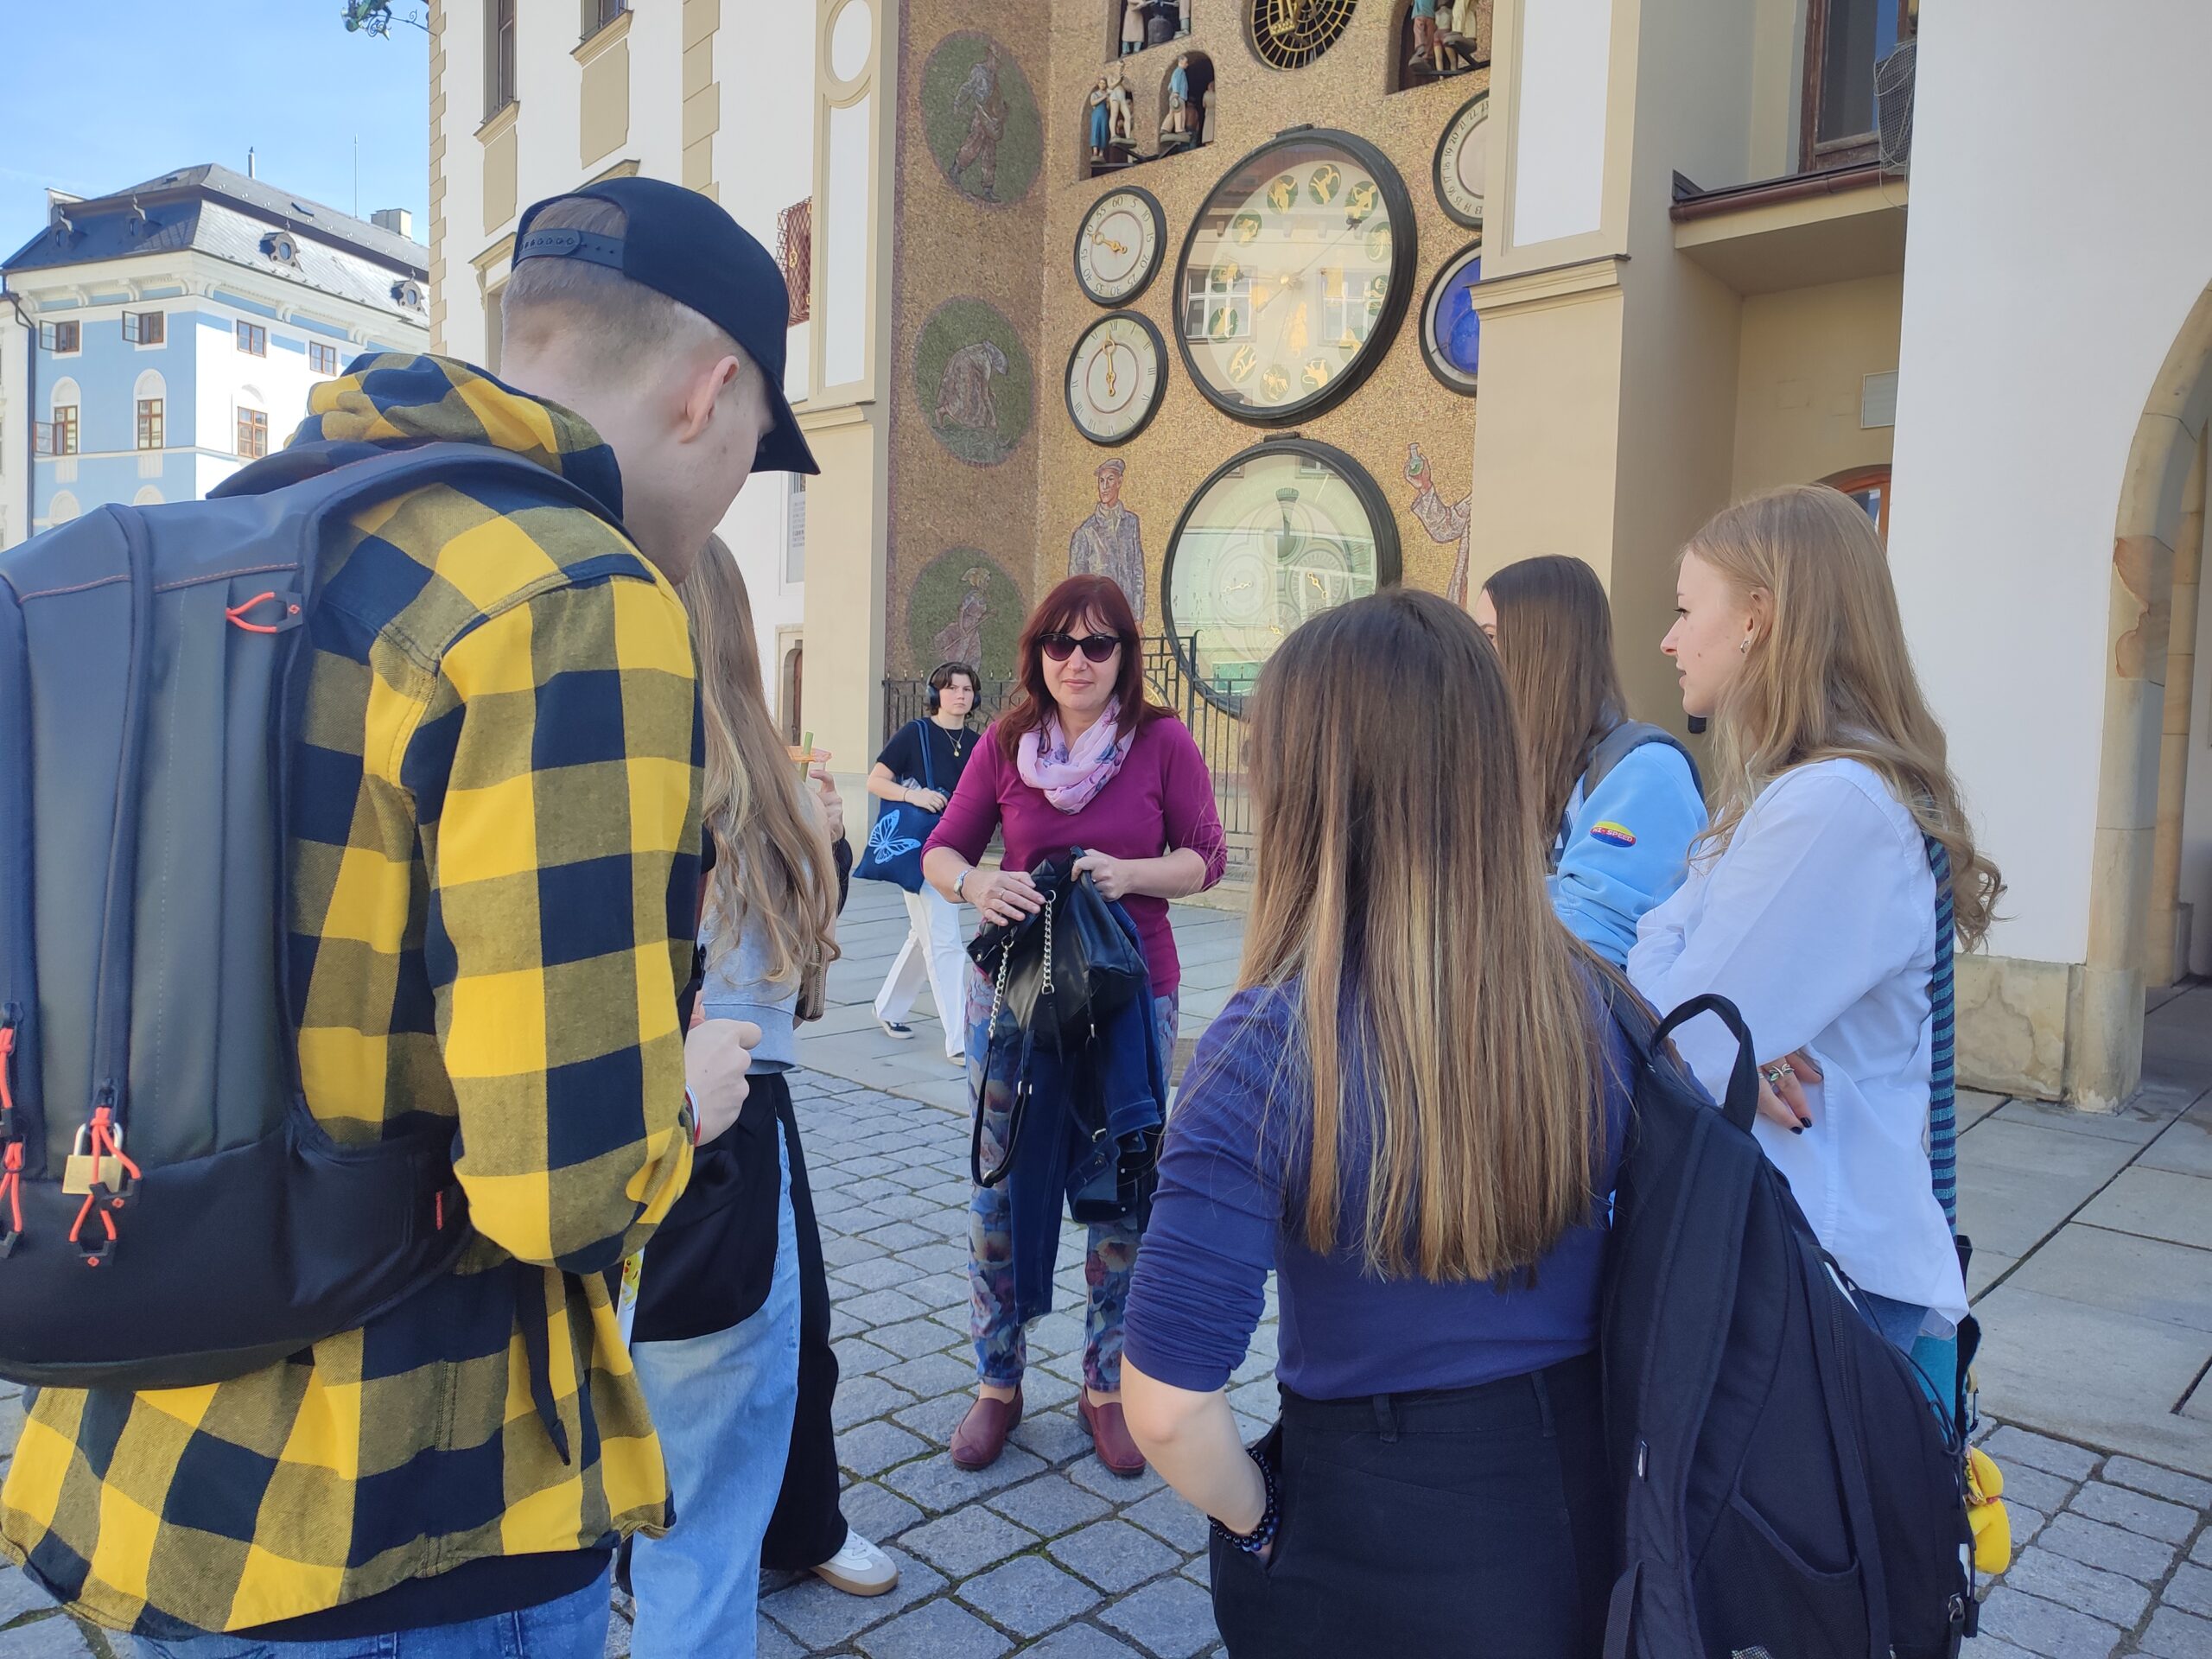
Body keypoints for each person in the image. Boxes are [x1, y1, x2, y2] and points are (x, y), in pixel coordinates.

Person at [0, 177, 808, 1654]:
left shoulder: (250, 536)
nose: (750, 474)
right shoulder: (575, 592)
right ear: (715, 391)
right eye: (765, 440)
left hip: (145, 1443)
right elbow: (558, 1192)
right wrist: (682, 1107)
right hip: (415, 1511)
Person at [1120, 589, 1629, 1656]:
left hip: (1372, 1514)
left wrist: (1258, 1521)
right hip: (1586, 1493)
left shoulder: (1269, 1047)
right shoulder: (1593, 999)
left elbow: (1165, 1408)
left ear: (1307, 787)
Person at [1628, 485, 2003, 1357]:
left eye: (1687, 610)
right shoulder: (1813, 793)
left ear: (1758, 616)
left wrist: (1708, 1005)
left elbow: (1687, 1038)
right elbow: (1667, 972)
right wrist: (1704, 999)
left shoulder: (1830, 804)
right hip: (1806, 1252)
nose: (1669, 639)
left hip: (1817, 1271)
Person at [626, 537, 888, 1656]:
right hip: (724, 1133)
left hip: (612, 1121)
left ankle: (788, 1525)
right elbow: (802, 994)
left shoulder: (611, 777)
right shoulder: (775, 801)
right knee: (708, 1491)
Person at [921, 575, 1227, 1478]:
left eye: (1099, 645)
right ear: (1036, 655)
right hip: (1017, 1003)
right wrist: (976, 884)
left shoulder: (1162, 743)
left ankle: (1105, 1388)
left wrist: (1130, 874)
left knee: (1121, 1194)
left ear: (1126, 655)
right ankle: (997, 1383)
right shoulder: (1008, 742)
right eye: (1061, 644)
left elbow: (1204, 858)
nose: (1079, 661)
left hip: (1131, 1002)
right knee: (997, 1193)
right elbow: (943, 848)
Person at [1474, 555, 1707, 966]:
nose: (1473, 658)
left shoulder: (1644, 771)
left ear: (1541, 649)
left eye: (1489, 637)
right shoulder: (1509, 768)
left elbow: (1593, 949)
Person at [870, 661, 982, 1058]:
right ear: (937, 695)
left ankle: (889, 1006)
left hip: (956, 849)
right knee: (946, 941)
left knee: (926, 934)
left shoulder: (976, 742)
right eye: (952, 688)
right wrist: (912, 795)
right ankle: (960, 1039)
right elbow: (876, 779)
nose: (960, 695)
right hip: (920, 851)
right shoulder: (914, 734)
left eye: (967, 689)